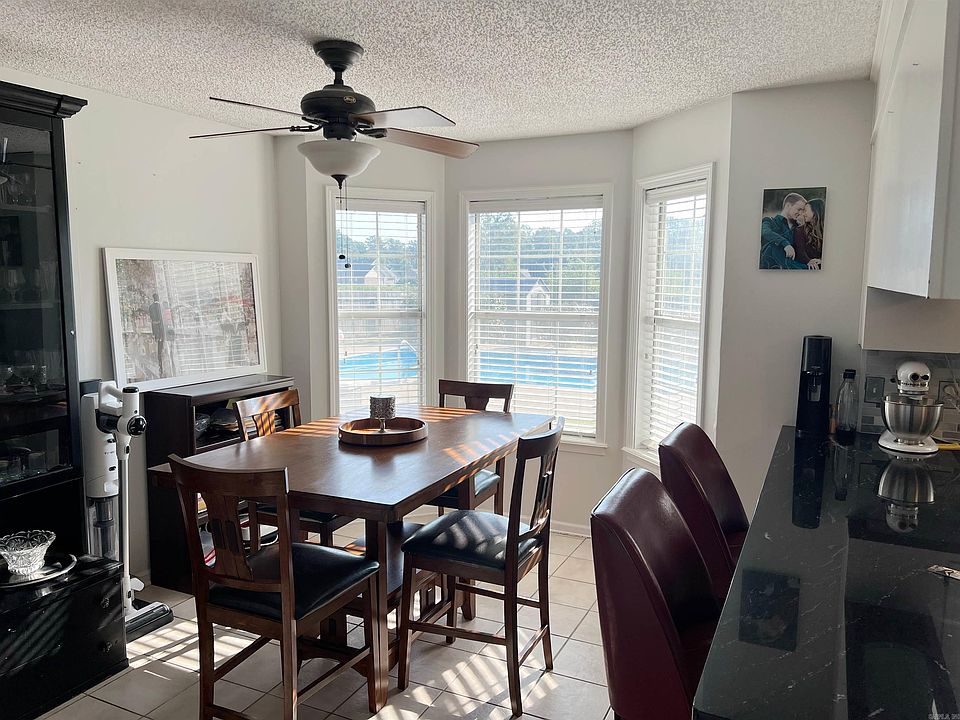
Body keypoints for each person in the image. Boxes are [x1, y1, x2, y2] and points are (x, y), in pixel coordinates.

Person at [759, 192, 810, 269]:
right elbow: (765, 232)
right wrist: (785, 244)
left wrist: (810, 261)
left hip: (795, 268)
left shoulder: (799, 229)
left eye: (802, 211)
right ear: (788, 205)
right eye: (799, 209)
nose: (801, 213)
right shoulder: (769, 221)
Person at [793, 198, 825, 269]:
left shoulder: (827, 229)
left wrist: (822, 260)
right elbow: (800, 251)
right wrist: (809, 261)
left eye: (805, 211)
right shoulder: (800, 230)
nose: (803, 214)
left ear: (815, 211)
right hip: (808, 267)